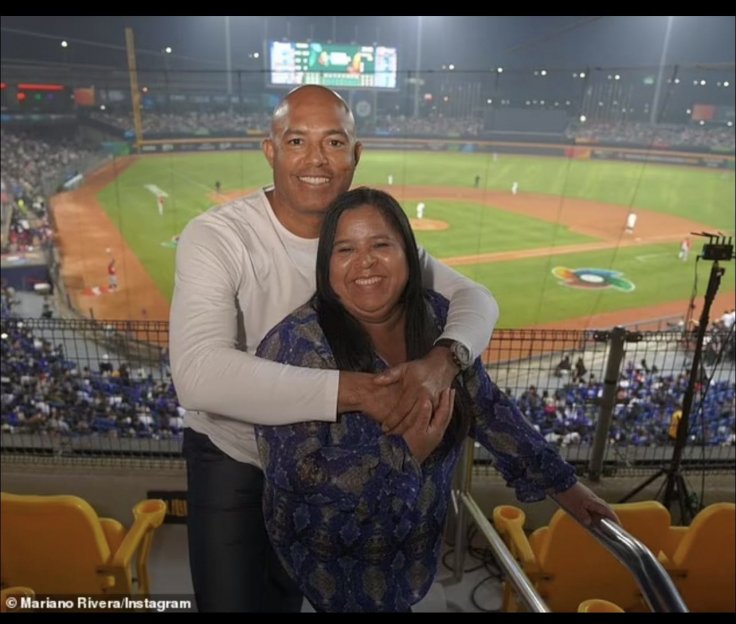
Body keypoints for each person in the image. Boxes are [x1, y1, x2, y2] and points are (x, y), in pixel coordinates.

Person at [169, 85, 500, 613]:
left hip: (330, 460)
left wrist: (443, 362)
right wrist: (359, 392)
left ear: (356, 154)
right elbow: (198, 374)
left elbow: (477, 299)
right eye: (297, 140)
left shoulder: (372, 237)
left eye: (334, 142)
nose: (316, 159)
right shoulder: (217, 236)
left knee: (311, 597)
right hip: (235, 461)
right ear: (270, 150)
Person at [254, 187, 619, 612]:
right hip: (335, 570)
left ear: (409, 254)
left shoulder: (438, 319)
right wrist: (402, 453)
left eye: (381, 245)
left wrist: (568, 490)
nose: (366, 262)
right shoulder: (294, 345)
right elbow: (295, 475)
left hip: (414, 554)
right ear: (326, 266)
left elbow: (488, 408)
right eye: (346, 249)